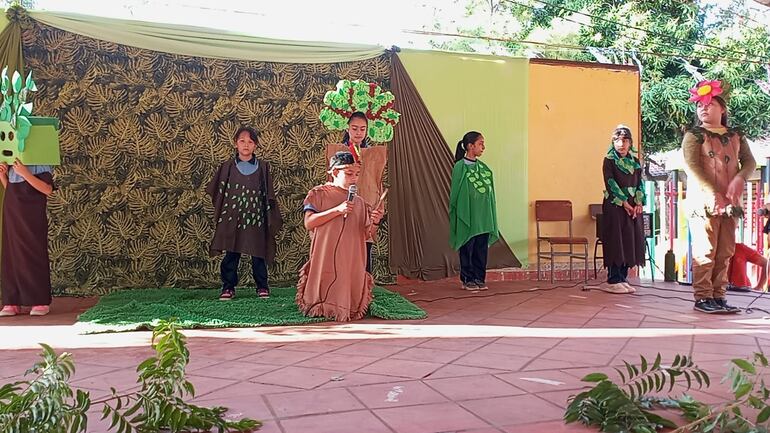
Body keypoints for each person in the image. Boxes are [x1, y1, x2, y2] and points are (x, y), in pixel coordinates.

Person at [682, 80, 756, 314]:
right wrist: (712, 192)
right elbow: (692, 167)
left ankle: (718, 295)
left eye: (710, 104)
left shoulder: (736, 135)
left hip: (730, 203)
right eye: (700, 105)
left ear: (722, 109)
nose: (704, 108)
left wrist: (740, 178)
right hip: (703, 203)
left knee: (725, 251)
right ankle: (703, 297)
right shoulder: (694, 135)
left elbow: (750, 162)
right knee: (705, 251)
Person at [296, 151, 383, 321]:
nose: (354, 178)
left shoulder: (359, 202)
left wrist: (376, 222)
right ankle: (320, 305)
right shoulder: (318, 194)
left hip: (351, 257)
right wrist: (336, 210)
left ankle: (347, 307)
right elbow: (309, 223)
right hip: (325, 253)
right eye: (349, 174)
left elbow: (367, 234)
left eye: (357, 174)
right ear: (335, 172)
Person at [206, 126, 282, 300]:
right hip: (232, 218)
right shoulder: (227, 167)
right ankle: (228, 287)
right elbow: (217, 191)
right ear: (235, 144)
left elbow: (267, 193)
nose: (246, 145)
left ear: (255, 145)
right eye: (242, 141)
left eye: (250, 142)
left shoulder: (263, 167)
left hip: (256, 218)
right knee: (231, 253)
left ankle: (262, 286)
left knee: (258, 253)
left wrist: (267, 215)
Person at [325, 112, 386, 273]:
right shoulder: (339, 153)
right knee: (342, 248)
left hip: (366, 205)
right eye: (354, 128)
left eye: (362, 129)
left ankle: (364, 290)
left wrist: (379, 204)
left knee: (365, 246)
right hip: (342, 206)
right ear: (347, 129)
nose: (358, 132)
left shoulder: (373, 154)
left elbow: (377, 180)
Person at [0, 159, 54, 317]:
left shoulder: (40, 161)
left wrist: (25, 173)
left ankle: (39, 300)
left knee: (33, 253)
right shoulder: (12, 163)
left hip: (31, 216)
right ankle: (12, 301)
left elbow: (47, 189)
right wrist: (3, 175)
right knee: (11, 256)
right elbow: (11, 189)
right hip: (12, 213)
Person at [449, 131, 499, 291]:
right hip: (468, 216)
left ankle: (479, 277)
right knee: (467, 247)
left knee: (481, 248)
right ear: (470, 146)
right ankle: (467, 279)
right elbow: (455, 194)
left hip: (483, 217)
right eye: (480, 143)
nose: (483, 147)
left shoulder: (484, 169)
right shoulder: (459, 167)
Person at [600, 126, 645, 294]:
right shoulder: (609, 160)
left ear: (630, 142)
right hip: (615, 205)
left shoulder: (635, 162)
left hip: (633, 207)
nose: (621, 144)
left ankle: (623, 277)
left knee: (629, 240)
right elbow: (610, 183)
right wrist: (625, 203)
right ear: (613, 142)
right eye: (617, 140)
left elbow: (640, 182)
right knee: (616, 241)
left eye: (625, 141)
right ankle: (613, 279)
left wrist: (638, 203)